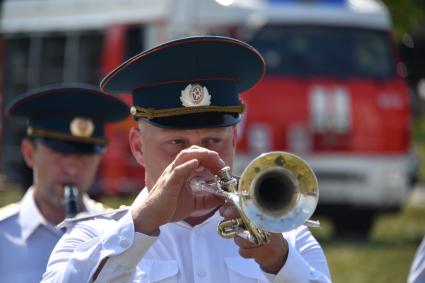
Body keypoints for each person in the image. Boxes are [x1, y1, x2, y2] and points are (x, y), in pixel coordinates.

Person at [42, 36, 332, 283]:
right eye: (177, 144)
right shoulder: (90, 235)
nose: (199, 161)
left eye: (213, 142)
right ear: (138, 147)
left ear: (233, 140)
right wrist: (142, 224)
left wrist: (280, 264)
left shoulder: (287, 238)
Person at [0, 84, 129, 283]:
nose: (72, 170)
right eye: (59, 154)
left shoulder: (117, 232)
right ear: (29, 152)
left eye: (84, 155)